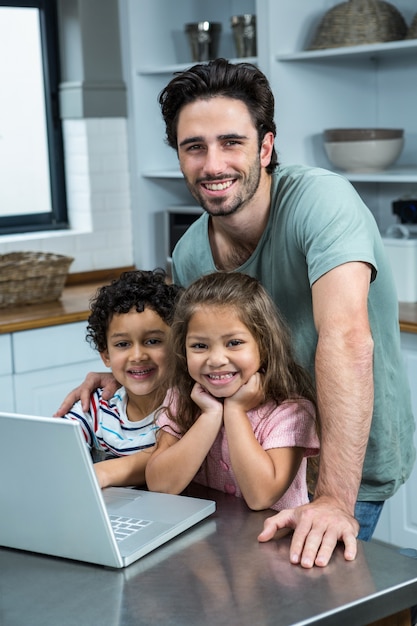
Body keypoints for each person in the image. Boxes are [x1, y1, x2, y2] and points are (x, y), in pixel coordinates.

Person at [55, 59, 415, 570]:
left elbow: (346, 338)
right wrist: (125, 373)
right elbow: (190, 355)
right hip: (238, 473)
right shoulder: (189, 255)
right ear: (179, 156)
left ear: (265, 148)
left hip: (340, 466)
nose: (212, 164)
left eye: (231, 142)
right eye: (194, 147)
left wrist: (334, 497)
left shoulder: (321, 202)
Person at [145, 271, 320, 512]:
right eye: (200, 346)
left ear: (264, 345)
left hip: (274, 546)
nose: (216, 359)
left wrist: (236, 411)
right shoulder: (182, 398)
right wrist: (209, 416)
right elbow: (160, 485)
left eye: (234, 343)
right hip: (207, 543)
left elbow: (261, 497)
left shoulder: (291, 412)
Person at [60, 269, 181, 489]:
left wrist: (104, 472)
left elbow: (165, 458)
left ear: (178, 346)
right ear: (106, 355)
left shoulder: (185, 406)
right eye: (123, 344)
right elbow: (56, 446)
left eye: (153, 341)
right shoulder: (97, 407)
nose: (137, 356)